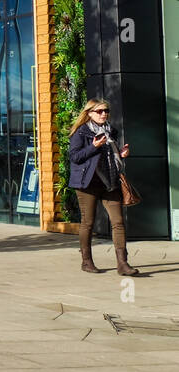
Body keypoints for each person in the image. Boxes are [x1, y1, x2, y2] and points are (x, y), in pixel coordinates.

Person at [67, 98, 139, 276]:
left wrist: (121, 154)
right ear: (89, 113)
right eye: (99, 111)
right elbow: (75, 157)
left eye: (106, 111)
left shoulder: (111, 131)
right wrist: (93, 147)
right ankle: (86, 261)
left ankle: (123, 264)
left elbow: (110, 157)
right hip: (87, 183)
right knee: (88, 223)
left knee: (118, 222)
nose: (104, 114)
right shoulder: (80, 133)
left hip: (110, 182)